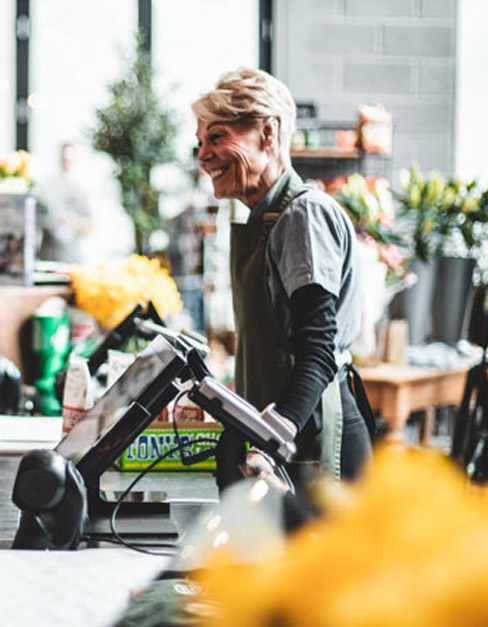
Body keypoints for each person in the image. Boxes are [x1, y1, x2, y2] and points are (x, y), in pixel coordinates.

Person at [192, 68, 371, 490]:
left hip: (310, 442)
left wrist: (270, 439)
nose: (203, 155)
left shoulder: (302, 216)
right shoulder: (265, 218)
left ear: (268, 135)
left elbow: (318, 349)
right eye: (200, 142)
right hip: (278, 439)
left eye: (217, 138)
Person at [37, 142, 92, 263]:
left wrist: (73, 220)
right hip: (48, 258)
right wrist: (54, 220)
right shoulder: (46, 187)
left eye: (69, 160)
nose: (66, 163)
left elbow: (90, 226)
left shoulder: (82, 189)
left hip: (72, 259)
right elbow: (36, 220)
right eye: (64, 159)